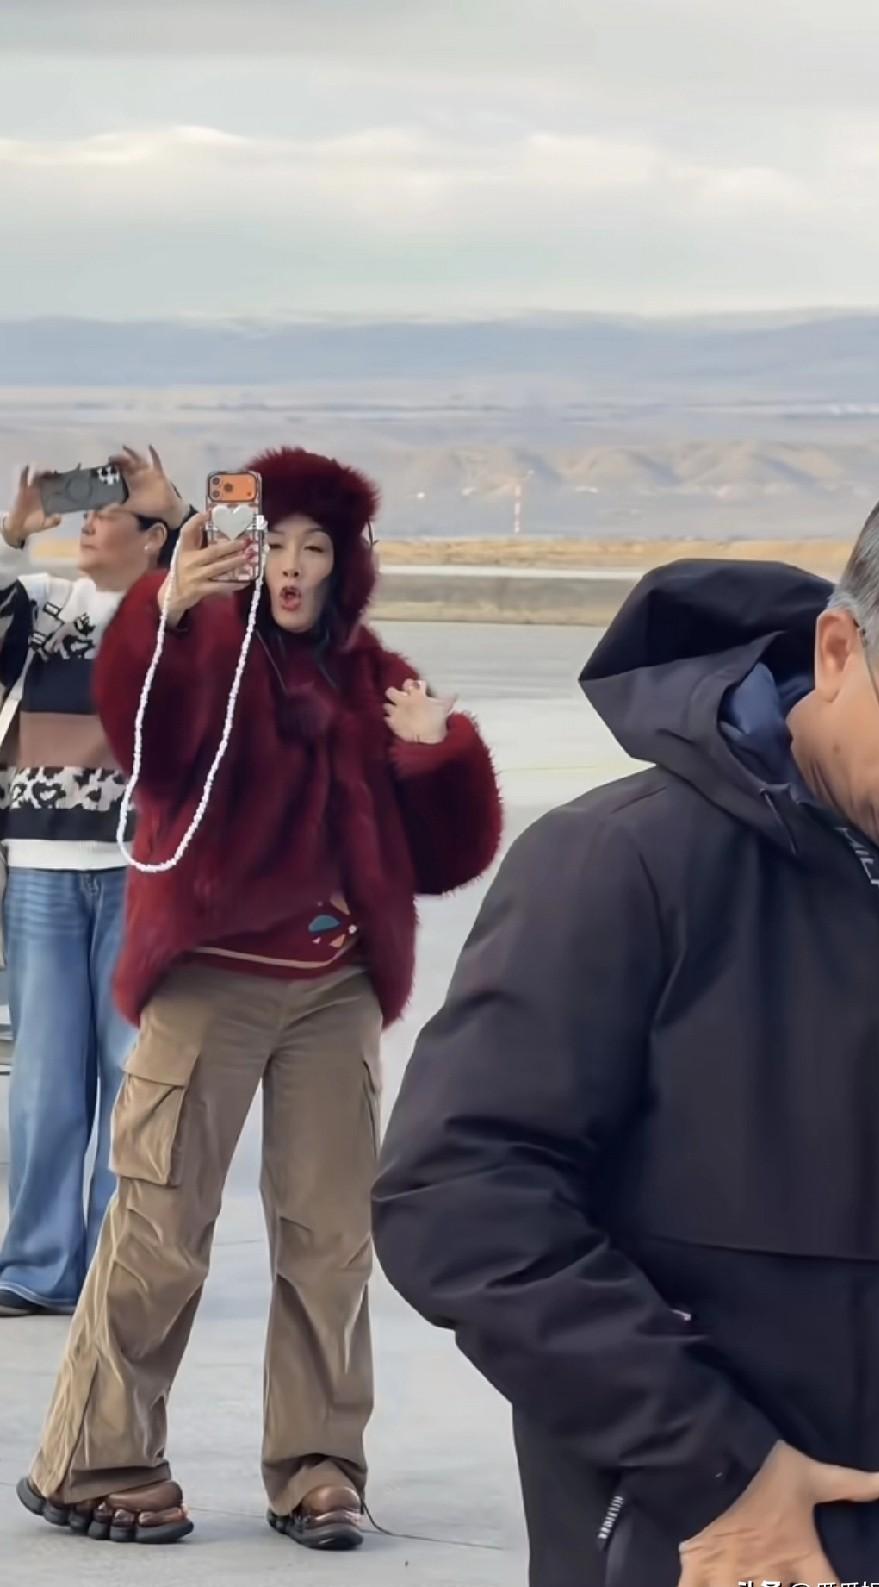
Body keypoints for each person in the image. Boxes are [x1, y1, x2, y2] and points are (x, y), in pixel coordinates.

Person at [370, 483, 879, 1587]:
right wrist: (717, 1467)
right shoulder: (624, 865)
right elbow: (458, 1199)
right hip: (713, 1540)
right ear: (837, 652)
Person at [17, 446, 502, 1552]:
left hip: (334, 993)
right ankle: (96, 1460)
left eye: (314, 548)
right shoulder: (206, 645)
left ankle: (320, 1467)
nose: (290, 566)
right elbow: (152, 751)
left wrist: (438, 755)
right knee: (161, 1226)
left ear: (345, 564)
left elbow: (444, 858)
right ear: (245, 550)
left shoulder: (374, 676)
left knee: (331, 1239)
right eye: (274, 542)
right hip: (209, 979)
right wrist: (167, 614)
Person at [0, 449, 193, 1319]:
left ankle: (120, 1265)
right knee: (43, 1079)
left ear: (151, 540)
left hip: (139, 874)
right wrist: (12, 536)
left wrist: (180, 514)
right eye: (84, 512)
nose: (88, 522)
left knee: (133, 1074)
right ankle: (36, 1266)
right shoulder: (44, 606)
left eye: (109, 512)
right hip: (42, 868)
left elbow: (247, 611)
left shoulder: (174, 614)